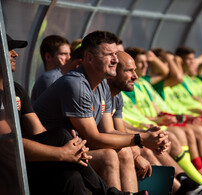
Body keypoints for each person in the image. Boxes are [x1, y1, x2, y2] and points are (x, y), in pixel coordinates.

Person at [1, 33, 147, 195]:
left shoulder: (16, 89)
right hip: (15, 165)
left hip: (48, 153)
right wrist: (61, 153)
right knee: (104, 154)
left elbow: (39, 132)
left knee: (72, 167)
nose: (15, 53)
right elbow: (7, 143)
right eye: (9, 49)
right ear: (89, 58)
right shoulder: (74, 84)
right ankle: (112, 193)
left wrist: (69, 149)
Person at [33, 31, 169, 192]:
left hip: (74, 150)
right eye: (109, 55)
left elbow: (109, 131)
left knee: (126, 152)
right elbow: (93, 139)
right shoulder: (75, 84)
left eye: (115, 55)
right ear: (89, 58)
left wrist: (147, 138)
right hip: (46, 158)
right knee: (108, 156)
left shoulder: (102, 83)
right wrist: (141, 139)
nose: (115, 60)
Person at [107, 51, 202, 194]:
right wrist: (142, 135)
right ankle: (197, 184)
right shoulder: (113, 89)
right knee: (147, 147)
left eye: (142, 64)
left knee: (165, 138)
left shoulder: (127, 89)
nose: (137, 72)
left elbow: (118, 125)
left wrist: (144, 133)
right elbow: (104, 131)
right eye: (129, 70)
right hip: (139, 129)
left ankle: (197, 183)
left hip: (148, 125)